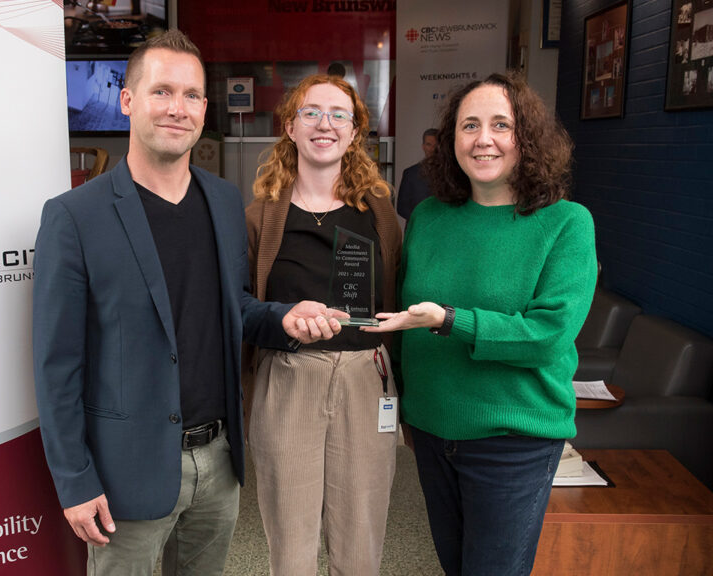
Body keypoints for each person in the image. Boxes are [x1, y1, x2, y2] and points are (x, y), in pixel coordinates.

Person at [32, 31, 345, 576]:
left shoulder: (223, 200)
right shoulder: (74, 217)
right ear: (128, 101)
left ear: (205, 108)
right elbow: (57, 363)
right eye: (162, 92)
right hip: (124, 473)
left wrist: (283, 319)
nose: (178, 108)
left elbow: (234, 308)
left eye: (192, 95)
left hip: (219, 465)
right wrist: (74, 479)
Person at [363, 73, 597, 575]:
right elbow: (403, 317)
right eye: (469, 125)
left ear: (527, 139)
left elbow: (548, 334)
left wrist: (452, 320)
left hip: (512, 439)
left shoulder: (567, 223)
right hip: (430, 431)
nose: (482, 139)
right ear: (452, 141)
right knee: (454, 565)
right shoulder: (427, 216)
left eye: (500, 125)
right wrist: (401, 400)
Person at [244, 74, 402, 576]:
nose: (325, 124)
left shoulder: (380, 214)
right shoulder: (258, 218)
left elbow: (398, 295)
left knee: (360, 544)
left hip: (365, 376)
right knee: (291, 549)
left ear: (354, 133)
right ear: (290, 127)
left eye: (339, 115)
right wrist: (284, 322)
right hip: (289, 378)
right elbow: (241, 306)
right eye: (311, 113)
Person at [395, 128, 438, 221]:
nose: (432, 149)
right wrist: (421, 220)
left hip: (442, 229)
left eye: (436, 145)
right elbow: (401, 207)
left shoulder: (450, 174)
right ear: (423, 146)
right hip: (416, 228)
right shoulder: (410, 173)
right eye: (428, 144)